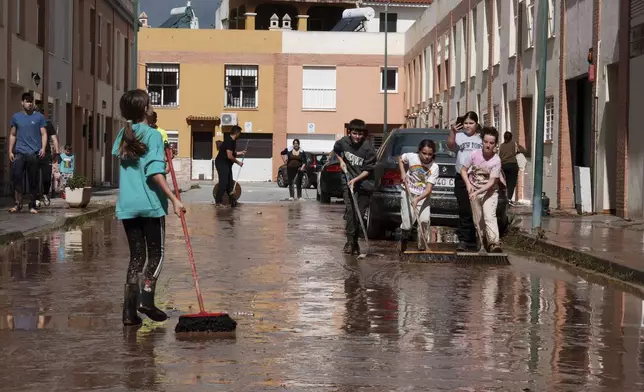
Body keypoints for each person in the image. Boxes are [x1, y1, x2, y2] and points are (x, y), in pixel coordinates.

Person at [111, 89, 185, 326]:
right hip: (150, 204)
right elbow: (153, 173)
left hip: (128, 206)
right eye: (151, 104)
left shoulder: (124, 134)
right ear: (144, 109)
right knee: (156, 255)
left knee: (136, 257)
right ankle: (147, 300)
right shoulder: (152, 135)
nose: (153, 108)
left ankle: (129, 313)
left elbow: (128, 160)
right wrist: (174, 199)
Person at [333, 119, 377, 255]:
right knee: (351, 212)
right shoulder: (343, 142)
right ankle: (350, 242)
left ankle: (355, 241)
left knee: (358, 215)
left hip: (364, 184)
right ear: (350, 132)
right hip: (347, 181)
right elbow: (336, 150)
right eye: (354, 133)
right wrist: (341, 161)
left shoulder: (368, 149)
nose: (357, 136)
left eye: (360, 134)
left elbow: (368, 171)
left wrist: (356, 180)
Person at [460, 126, 504, 254]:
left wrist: (477, 192)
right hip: (474, 188)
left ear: (495, 144)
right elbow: (463, 170)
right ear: (482, 142)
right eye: (486, 142)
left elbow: (491, 182)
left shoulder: (496, 160)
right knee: (478, 219)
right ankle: (482, 241)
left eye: (491, 143)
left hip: (489, 191)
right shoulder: (474, 155)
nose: (488, 145)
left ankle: (494, 243)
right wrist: (468, 185)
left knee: (489, 215)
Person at [447, 111, 482, 252]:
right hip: (461, 177)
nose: (468, 126)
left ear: (476, 124)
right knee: (465, 209)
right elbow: (450, 146)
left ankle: (478, 237)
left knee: (478, 209)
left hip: (478, 178)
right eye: (466, 123)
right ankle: (464, 239)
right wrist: (452, 132)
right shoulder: (459, 136)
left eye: (471, 123)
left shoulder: (481, 138)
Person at [8, 92, 48, 214]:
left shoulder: (39, 117)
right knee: (16, 177)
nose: (29, 103)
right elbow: (13, 134)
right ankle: (17, 204)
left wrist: (43, 148)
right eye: (27, 101)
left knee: (33, 180)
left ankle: (32, 206)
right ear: (22, 102)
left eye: (31, 101)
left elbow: (44, 134)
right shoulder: (16, 117)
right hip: (19, 152)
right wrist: (10, 150)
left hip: (33, 153)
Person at [398, 139, 439, 253]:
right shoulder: (411, 157)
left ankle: (422, 247)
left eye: (430, 154)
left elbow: (429, 189)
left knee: (424, 221)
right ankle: (404, 238)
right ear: (419, 151)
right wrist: (402, 172)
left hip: (423, 196)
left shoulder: (434, 167)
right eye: (424, 153)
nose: (427, 157)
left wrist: (418, 199)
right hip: (408, 192)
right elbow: (401, 159)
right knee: (407, 224)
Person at [214, 125, 246, 208]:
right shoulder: (229, 141)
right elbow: (229, 156)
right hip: (221, 164)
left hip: (227, 164)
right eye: (240, 133)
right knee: (223, 183)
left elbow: (232, 153)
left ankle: (233, 202)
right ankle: (218, 202)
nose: (240, 135)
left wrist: (240, 152)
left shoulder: (233, 141)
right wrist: (238, 163)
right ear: (237, 133)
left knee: (229, 184)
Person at [499, 131, 527, 205]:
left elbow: (499, 156)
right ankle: (509, 198)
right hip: (512, 165)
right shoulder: (514, 144)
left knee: (503, 183)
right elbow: (524, 150)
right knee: (511, 183)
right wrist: (516, 152)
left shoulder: (501, 146)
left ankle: (503, 197)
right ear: (511, 137)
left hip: (503, 166)